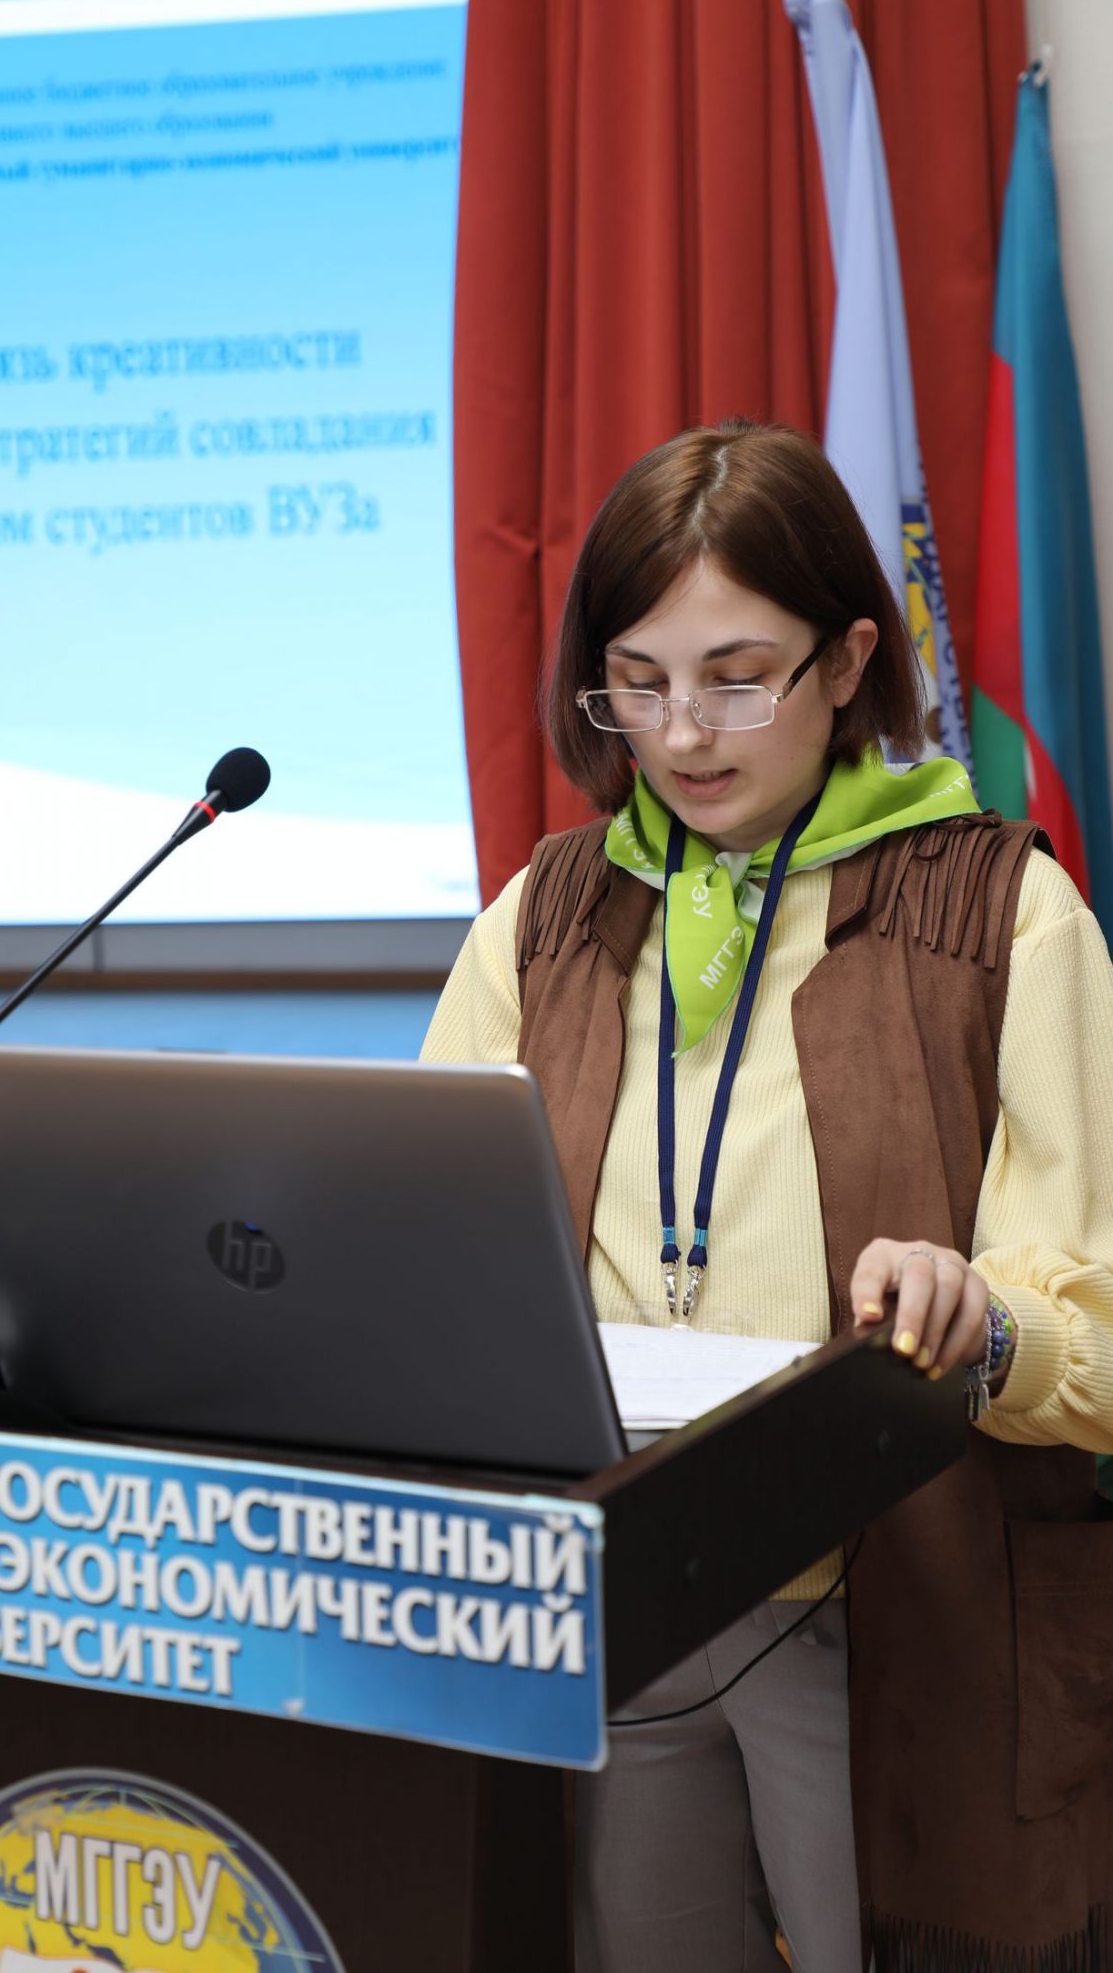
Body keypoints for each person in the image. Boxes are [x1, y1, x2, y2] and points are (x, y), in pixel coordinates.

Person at [422, 421, 1113, 1973]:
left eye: (736, 678)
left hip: (893, 1605)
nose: (680, 733)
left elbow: (1100, 1333)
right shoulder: (540, 921)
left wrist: (984, 1326)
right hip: (607, 1598)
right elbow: (433, 1258)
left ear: (848, 657)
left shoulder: (999, 908)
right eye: (636, 681)